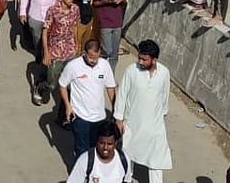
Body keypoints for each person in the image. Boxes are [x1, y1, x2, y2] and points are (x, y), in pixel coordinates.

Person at [114, 39, 172, 183]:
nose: (140, 62)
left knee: (157, 160)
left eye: (144, 59)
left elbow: (164, 97)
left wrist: (162, 116)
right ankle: (126, 180)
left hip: (155, 126)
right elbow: (122, 95)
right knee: (129, 154)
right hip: (132, 123)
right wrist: (119, 119)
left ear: (154, 60)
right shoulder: (131, 71)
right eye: (139, 58)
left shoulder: (164, 73)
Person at [58, 39, 117, 161]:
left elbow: (110, 87)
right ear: (84, 53)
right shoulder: (73, 66)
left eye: (96, 58)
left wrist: (115, 109)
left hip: (99, 118)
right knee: (82, 151)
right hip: (80, 117)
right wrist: (68, 106)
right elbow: (62, 85)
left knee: (97, 149)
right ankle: (82, 171)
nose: (94, 61)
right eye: (91, 58)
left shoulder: (104, 65)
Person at [66, 119, 133, 183]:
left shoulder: (124, 160)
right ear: (97, 141)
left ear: (115, 143)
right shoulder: (85, 160)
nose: (105, 147)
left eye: (109, 144)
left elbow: (127, 180)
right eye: (101, 143)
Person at [93, 0, 128, 68]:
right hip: (105, 21)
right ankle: (99, 65)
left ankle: (111, 73)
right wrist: (105, 1)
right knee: (107, 49)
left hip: (117, 21)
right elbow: (95, 3)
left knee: (114, 53)